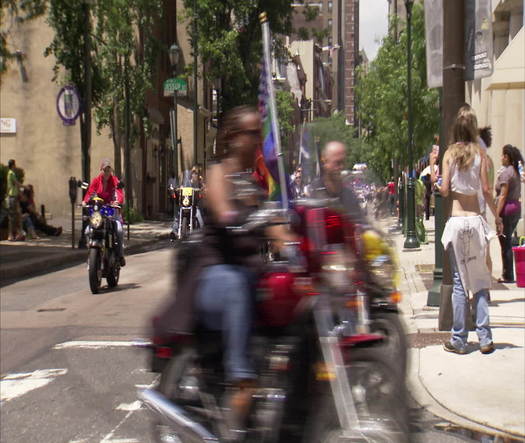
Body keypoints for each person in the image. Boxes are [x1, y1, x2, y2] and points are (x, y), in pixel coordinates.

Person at [154, 106, 293, 431]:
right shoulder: (219, 172)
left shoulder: (251, 184)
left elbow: (273, 224)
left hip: (245, 272)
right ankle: (240, 376)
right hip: (213, 275)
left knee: (283, 288)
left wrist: (292, 240)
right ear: (232, 137)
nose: (257, 141)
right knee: (236, 283)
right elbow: (221, 207)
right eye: (252, 134)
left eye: (259, 134)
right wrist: (234, 218)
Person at [430, 106, 501, 355]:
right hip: (476, 221)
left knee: (460, 282)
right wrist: (496, 216)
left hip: (457, 222)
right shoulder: (480, 154)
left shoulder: (449, 154)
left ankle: (459, 339)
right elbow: (485, 189)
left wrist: (437, 181)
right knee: (480, 280)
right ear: (473, 127)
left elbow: (446, 190)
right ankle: (485, 338)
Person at [306, 141, 368, 225]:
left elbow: (363, 224)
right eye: (337, 163)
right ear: (325, 161)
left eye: (343, 162)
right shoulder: (314, 194)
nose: (341, 167)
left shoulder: (349, 195)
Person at [83, 159, 125, 266]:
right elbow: (90, 193)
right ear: (101, 170)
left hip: (111, 210)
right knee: (88, 231)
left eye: (108, 170)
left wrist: (117, 201)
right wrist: (85, 201)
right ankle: (90, 256)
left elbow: (119, 193)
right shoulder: (96, 181)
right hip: (99, 210)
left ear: (111, 171)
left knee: (119, 230)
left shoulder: (114, 180)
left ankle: (120, 256)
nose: (106, 173)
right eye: (104, 170)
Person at [495, 144, 522, 283]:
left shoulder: (506, 173)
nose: (501, 158)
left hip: (507, 209)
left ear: (506, 157)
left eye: (502, 155)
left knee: (504, 242)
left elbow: (503, 196)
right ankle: (509, 273)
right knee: (507, 241)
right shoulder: (516, 172)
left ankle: (508, 274)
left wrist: (497, 215)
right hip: (516, 208)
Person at [6, 159, 24, 241]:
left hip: (13, 197)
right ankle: (12, 235)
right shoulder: (11, 173)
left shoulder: (10, 173)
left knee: (16, 216)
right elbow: (16, 183)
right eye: (15, 164)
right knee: (13, 217)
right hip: (12, 197)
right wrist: (25, 187)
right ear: (12, 165)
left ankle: (17, 234)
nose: (15, 166)